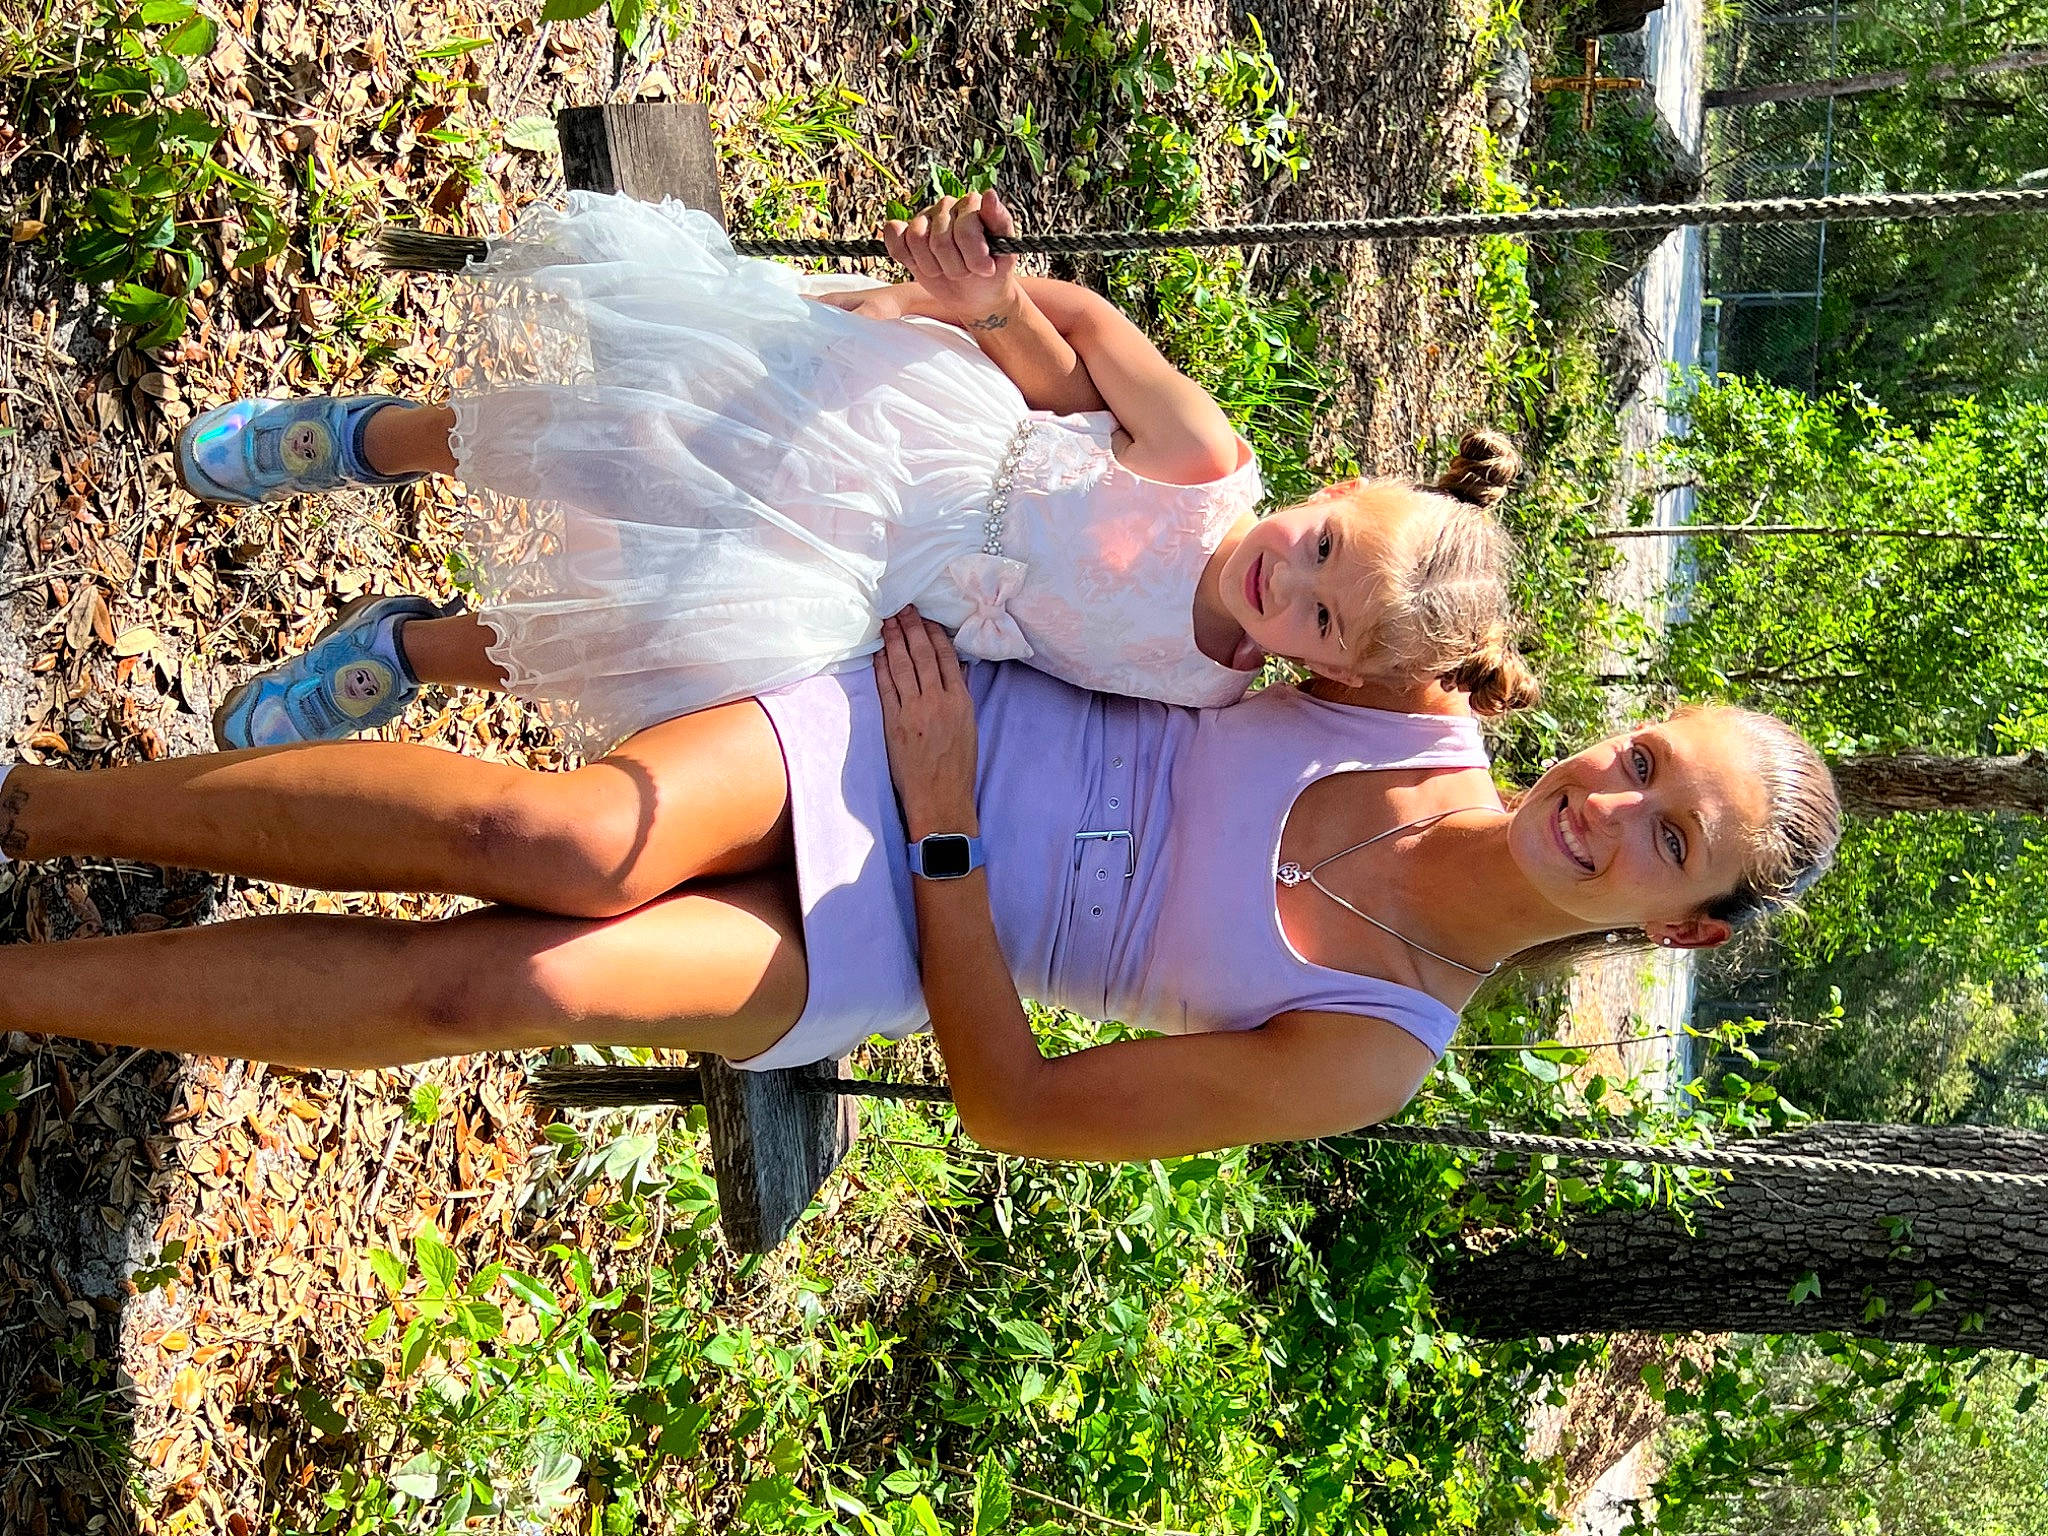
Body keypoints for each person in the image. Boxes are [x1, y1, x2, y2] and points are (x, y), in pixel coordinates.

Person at [0, 613, 1838, 1161]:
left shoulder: (1374, 1051)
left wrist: (950, 842)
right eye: (1648, 758)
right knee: (565, 846)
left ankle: (19, 988)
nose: (1613, 800)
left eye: (1670, 838)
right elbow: (1210, 543)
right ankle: (40, 810)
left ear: (1675, 929)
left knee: (516, 991)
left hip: (921, 925)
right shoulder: (1413, 702)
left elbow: (1017, 1105)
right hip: (916, 723)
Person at [170, 188, 1534, 751]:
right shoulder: (1204, 463)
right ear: (1338, 491)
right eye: (1321, 545)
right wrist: (967, 303)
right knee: (612, 434)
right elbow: (1077, 343)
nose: (1282, 577)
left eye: (1316, 614)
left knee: (653, 632)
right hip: (910, 427)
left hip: (872, 585)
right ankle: (369, 439)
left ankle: (412, 652)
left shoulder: (1202, 689)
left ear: (1327, 671)